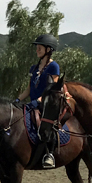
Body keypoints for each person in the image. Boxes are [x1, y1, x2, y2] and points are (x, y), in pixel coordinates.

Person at [16, 34, 60, 169]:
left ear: (48, 49)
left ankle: (49, 154)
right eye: (37, 48)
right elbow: (29, 89)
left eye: (39, 48)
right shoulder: (34, 68)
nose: (37, 50)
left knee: (45, 124)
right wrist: (18, 99)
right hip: (32, 103)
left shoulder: (54, 67)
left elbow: (52, 89)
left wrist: (38, 101)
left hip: (46, 104)